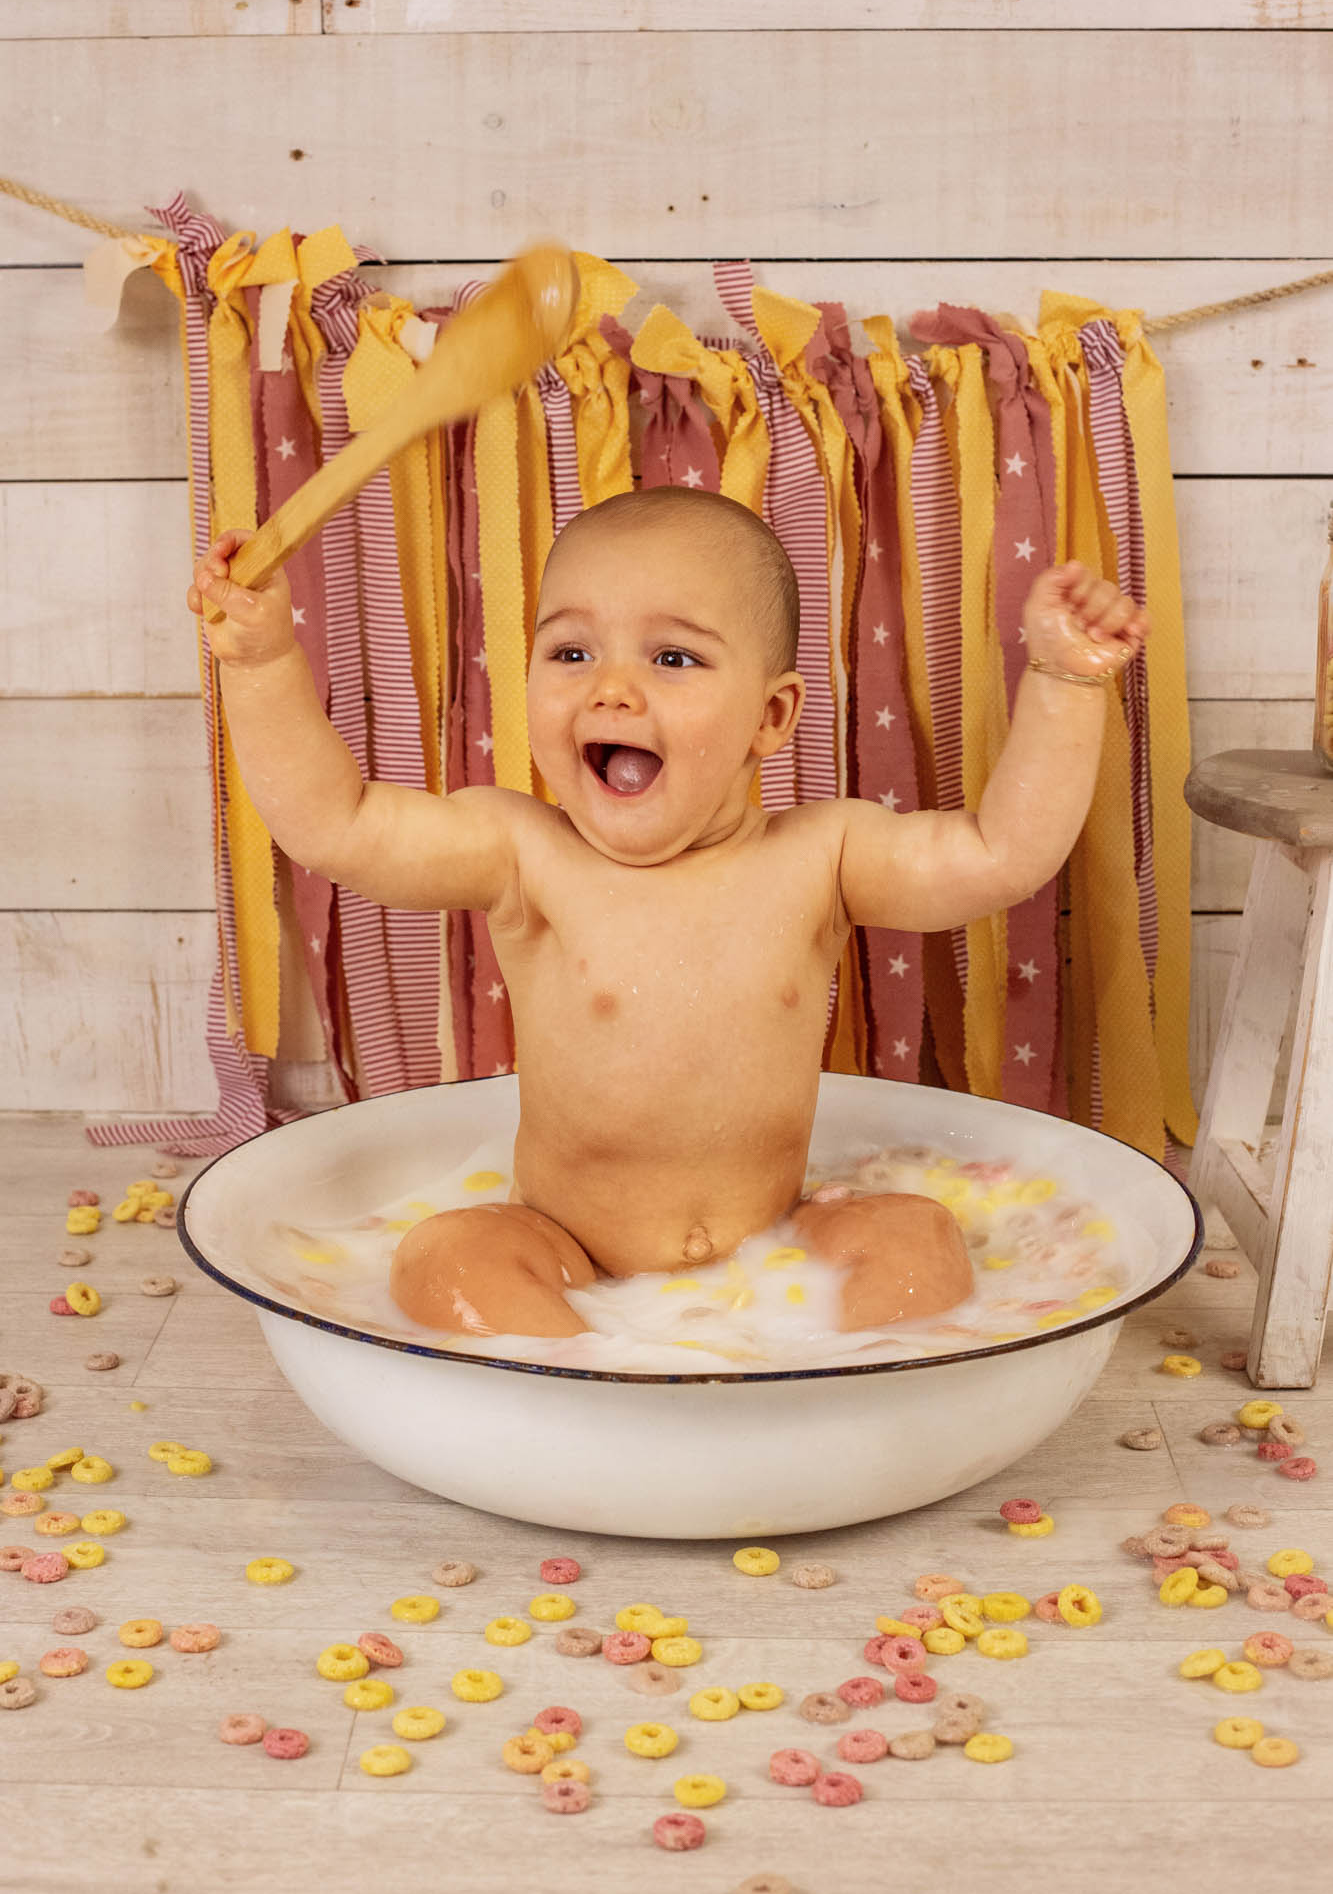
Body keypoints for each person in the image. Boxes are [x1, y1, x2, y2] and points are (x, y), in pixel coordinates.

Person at [189, 485, 1149, 1339]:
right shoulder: (523, 851)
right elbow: (337, 824)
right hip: (560, 1240)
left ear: (769, 720)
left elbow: (1000, 856)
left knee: (915, 1242)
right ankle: (589, 1387)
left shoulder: (823, 856)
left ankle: (848, 1385)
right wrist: (264, 662)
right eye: (571, 650)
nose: (612, 685)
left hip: (774, 1237)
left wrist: (1064, 683)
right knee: (446, 1262)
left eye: (674, 658)